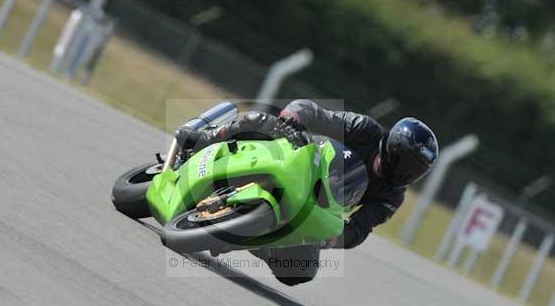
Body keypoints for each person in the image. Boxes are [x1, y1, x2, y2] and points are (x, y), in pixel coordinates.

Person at [176, 99, 439, 286]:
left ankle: (263, 245)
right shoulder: (364, 129)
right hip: (298, 159)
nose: (409, 174)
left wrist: (332, 239)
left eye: (416, 171)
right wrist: (293, 119)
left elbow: (360, 229)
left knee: (300, 271)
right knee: (261, 121)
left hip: (315, 206)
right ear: (393, 148)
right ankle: (205, 138)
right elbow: (312, 111)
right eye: (408, 165)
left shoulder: (392, 196)